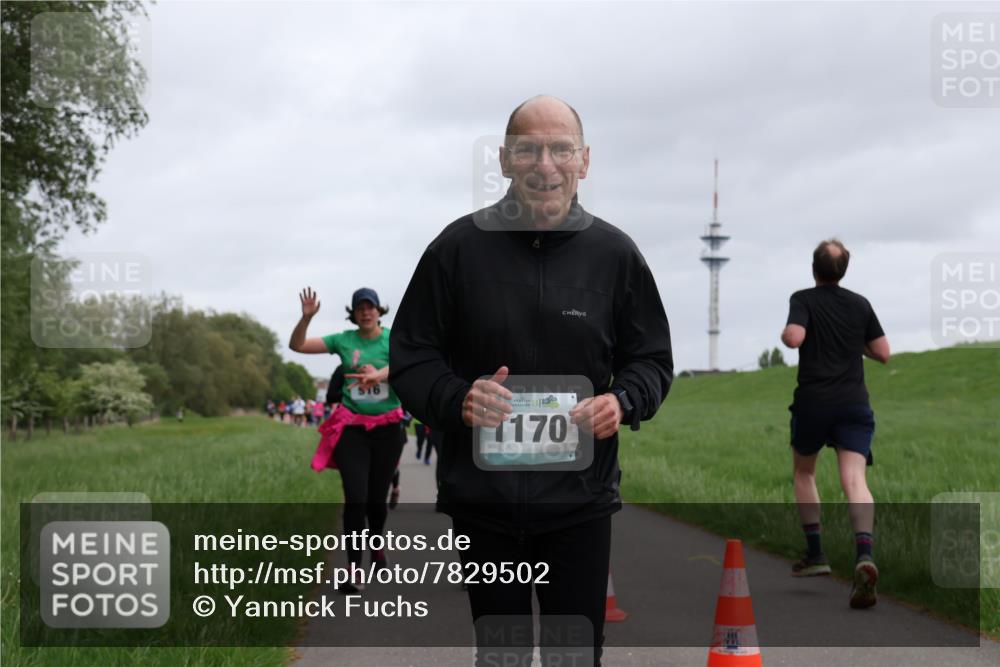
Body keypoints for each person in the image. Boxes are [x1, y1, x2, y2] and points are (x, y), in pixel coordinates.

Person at [389, 96, 673, 666]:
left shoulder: (616, 255)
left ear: (584, 160)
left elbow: (653, 360)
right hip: (484, 504)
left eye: (560, 149)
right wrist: (456, 397)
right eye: (529, 149)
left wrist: (622, 401)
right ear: (505, 159)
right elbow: (412, 358)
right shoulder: (456, 250)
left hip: (579, 503)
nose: (546, 164)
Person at [780, 239, 889, 609]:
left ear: (815, 269)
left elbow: (794, 337)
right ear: (844, 272)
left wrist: (788, 334)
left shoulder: (804, 299)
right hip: (854, 403)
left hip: (814, 402)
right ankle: (864, 555)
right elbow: (883, 353)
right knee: (855, 480)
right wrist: (852, 342)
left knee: (804, 472)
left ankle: (816, 555)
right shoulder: (861, 304)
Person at [290, 286, 406, 592]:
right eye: (360, 308)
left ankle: (376, 541)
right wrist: (305, 319)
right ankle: (354, 569)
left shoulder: (394, 339)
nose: (366, 312)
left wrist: (380, 374)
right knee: (356, 498)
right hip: (351, 429)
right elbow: (297, 345)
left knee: (375, 501)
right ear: (353, 313)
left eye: (371, 307)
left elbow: (412, 364)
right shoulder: (343, 340)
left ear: (379, 311)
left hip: (387, 430)